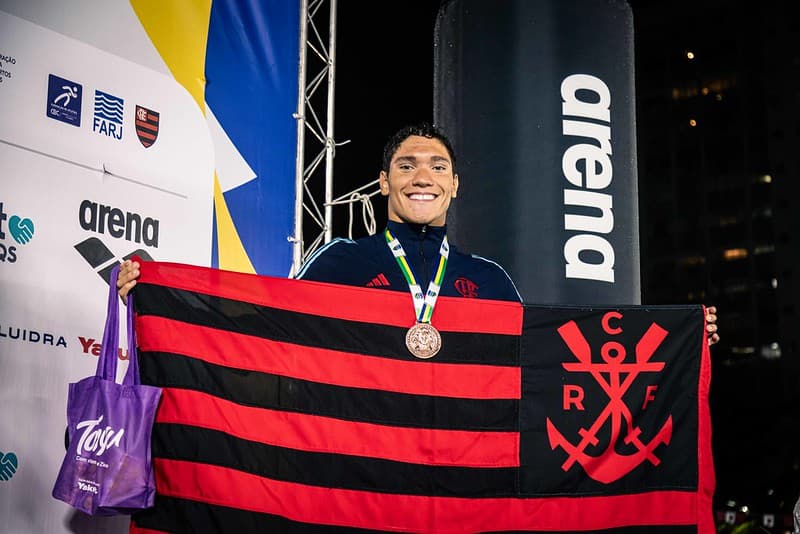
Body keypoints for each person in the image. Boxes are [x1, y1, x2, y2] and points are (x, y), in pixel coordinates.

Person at [116, 122, 720, 343]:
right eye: (406, 165)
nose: (422, 176)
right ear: (384, 183)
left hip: (460, 469)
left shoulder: (488, 279)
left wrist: (676, 337)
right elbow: (266, 324)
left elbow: (546, 351)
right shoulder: (339, 261)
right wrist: (160, 292)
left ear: (456, 185)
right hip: (365, 461)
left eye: (437, 166)